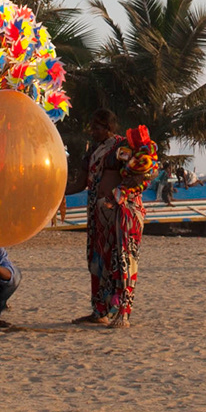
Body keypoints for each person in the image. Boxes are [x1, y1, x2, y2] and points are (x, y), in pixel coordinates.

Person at [80, 110, 145, 328]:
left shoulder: (121, 147)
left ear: (108, 127)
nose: (92, 131)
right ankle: (99, 311)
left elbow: (139, 174)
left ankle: (123, 313)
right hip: (99, 217)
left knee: (124, 262)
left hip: (121, 214)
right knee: (99, 262)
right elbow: (81, 182)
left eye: (96, 127)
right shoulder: (93, 151)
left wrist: (119, 196)